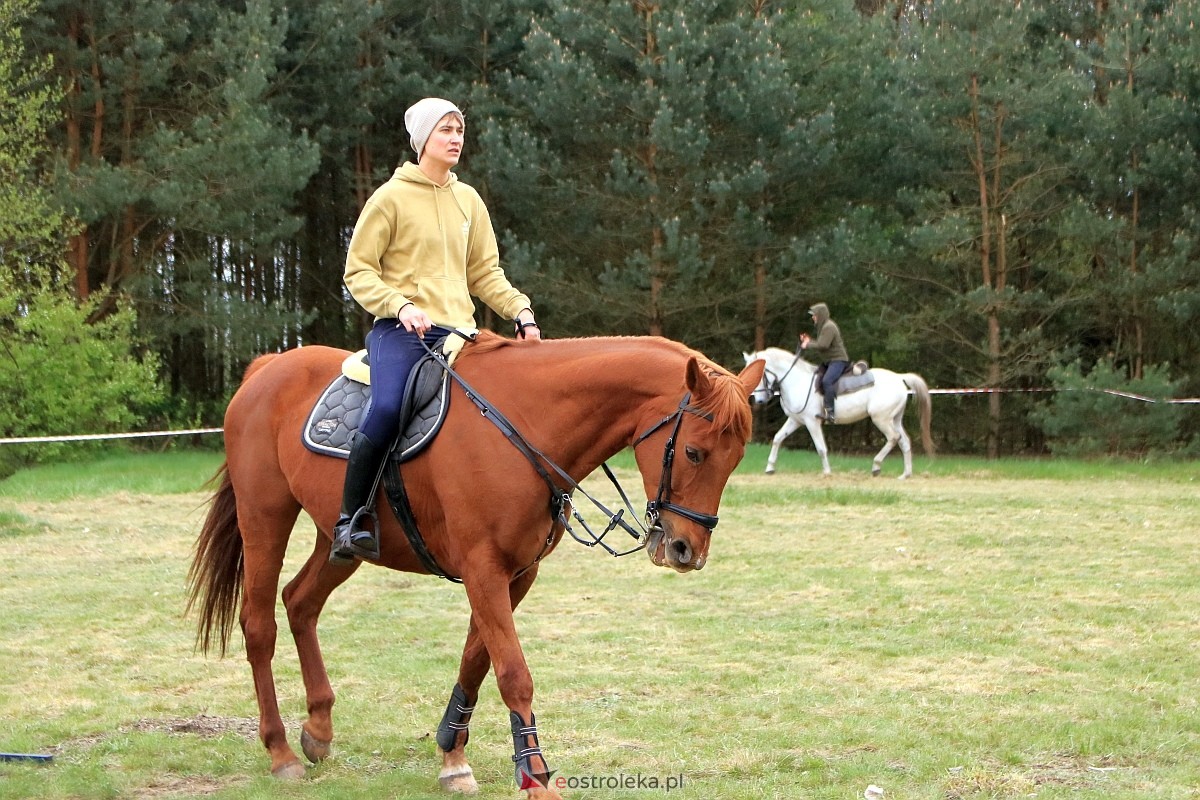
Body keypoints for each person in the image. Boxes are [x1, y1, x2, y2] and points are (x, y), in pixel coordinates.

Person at [331, 97, 541, 565]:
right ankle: (351, 520)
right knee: (386, 406)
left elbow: (486, 274)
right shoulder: (389, 198)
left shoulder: (469, 201)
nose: (455, 139)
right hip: (400, 331)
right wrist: (400, 305)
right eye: (445, 130)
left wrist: (521, 312)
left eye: (459, 131)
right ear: (423, 138)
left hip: (459, 333)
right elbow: (358, 272)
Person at [798, 302, 849, 423]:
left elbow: (823, 345)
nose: (813, 317)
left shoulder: (829, 327)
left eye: (814, 315)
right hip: (830, 361)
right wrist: (809, 340)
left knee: (827, 381)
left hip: (838, 360)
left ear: (820, 315)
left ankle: (830, 413)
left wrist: (807, 344)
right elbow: (821, 342)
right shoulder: (824, 327)